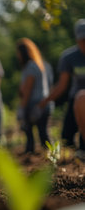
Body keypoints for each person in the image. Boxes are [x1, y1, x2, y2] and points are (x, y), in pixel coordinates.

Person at [38, 19, 85, 153]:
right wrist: (44, 102)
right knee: (67, 138)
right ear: (77, 39)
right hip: (75, 99)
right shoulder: (69, 57)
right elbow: (62, 85)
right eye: (82, 39)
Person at [16, 38, 52, 153]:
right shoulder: (39, 64)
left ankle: (31, 154)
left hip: (35, 104)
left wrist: (22, 108)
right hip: (44, 103)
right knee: (43, 132)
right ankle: (50, 154)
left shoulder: (30, 66)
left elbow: (28, 90)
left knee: (31, 132)